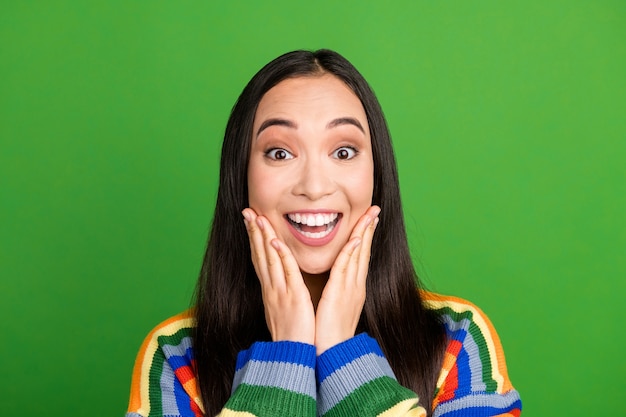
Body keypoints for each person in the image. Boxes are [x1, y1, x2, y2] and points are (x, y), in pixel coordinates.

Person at [126, 49, 522, 417]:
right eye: (279, 153)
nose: (314, 186)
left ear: (376, 176)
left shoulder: (455, 339)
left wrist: (340, 350)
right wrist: (287, 354)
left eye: (344, 151)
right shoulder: (176, 356)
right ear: (240, 178)